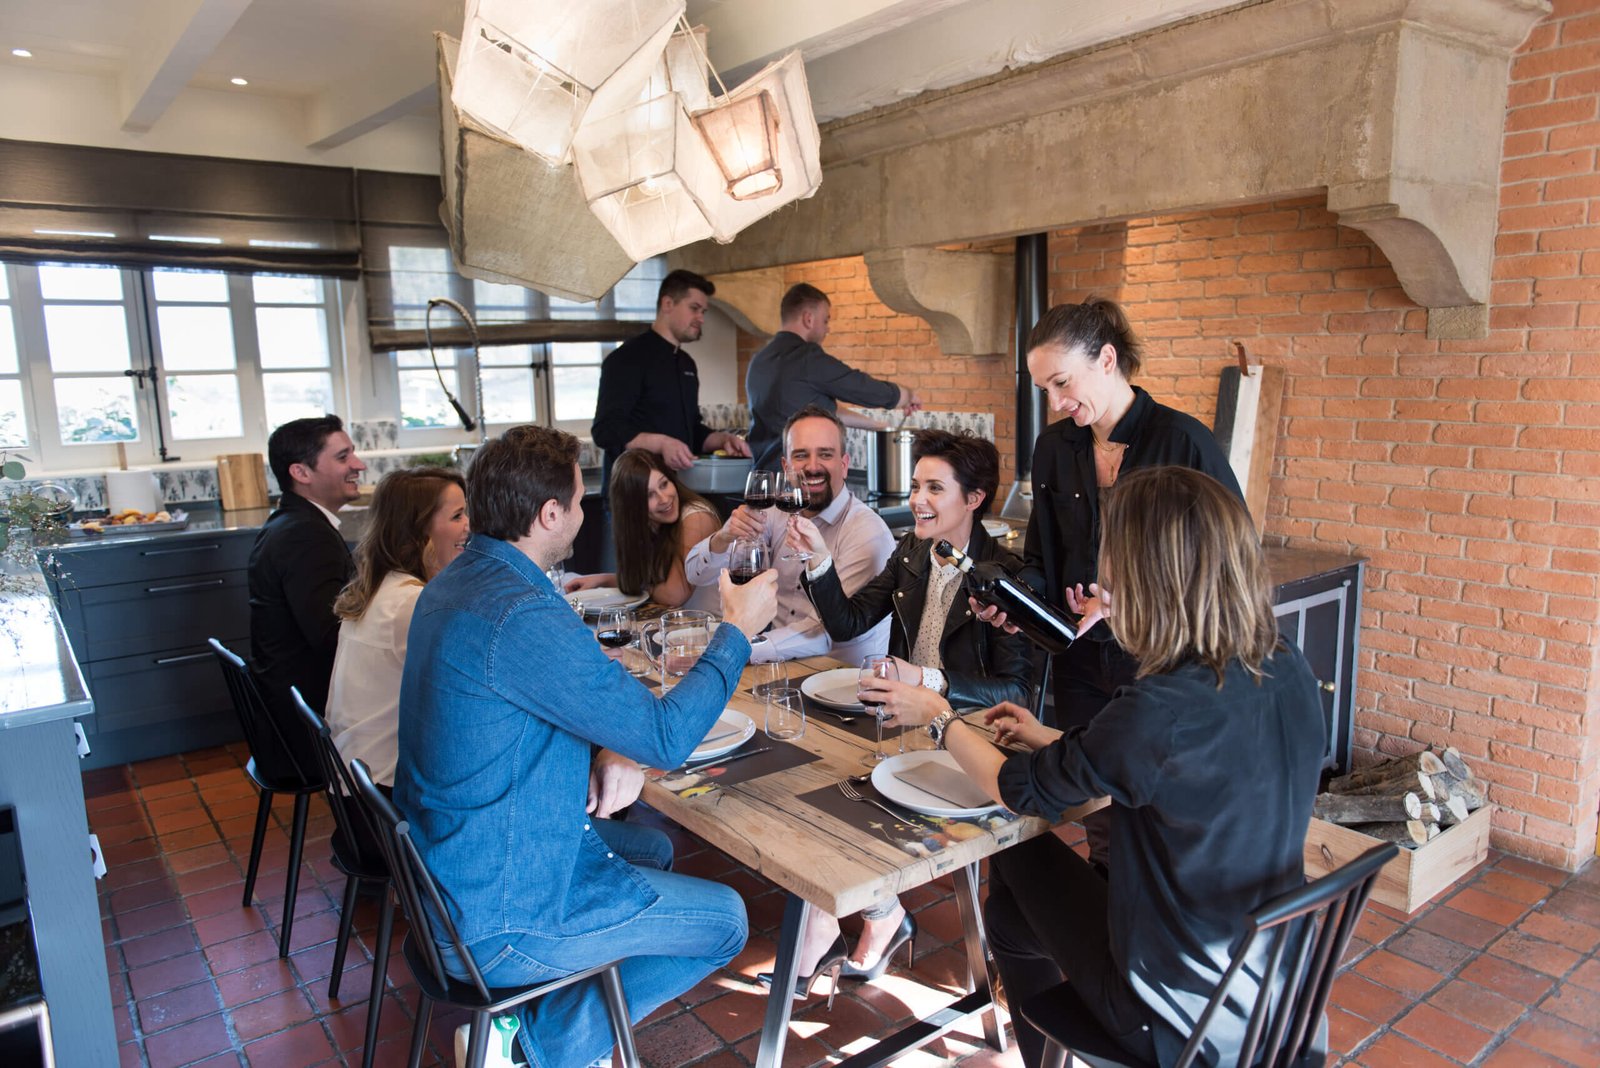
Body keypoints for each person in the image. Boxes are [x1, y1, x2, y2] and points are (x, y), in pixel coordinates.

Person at [886, 466, 1326, 1068]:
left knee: (1010, 845)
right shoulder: (1282, 659)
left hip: (1173, 1007)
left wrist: (939, 715)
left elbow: (1020, 789)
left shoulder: (1161, 707)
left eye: (1110, 550)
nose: (1100, 570)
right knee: (1011, 917)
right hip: (1275, 981)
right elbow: (1179, 760)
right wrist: (1052, 737)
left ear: (1150, 571)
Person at [395, 425, 777, 1068]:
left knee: (651, 846)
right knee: (727, 922)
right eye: (578, 499)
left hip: (450, 866)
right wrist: (736, 631)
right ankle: (533, 1049)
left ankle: (532, 1025)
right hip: (498, 914)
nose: (582, 511)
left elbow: (533, 710)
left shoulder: (458, 583)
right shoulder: (522, 611)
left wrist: (609, 751)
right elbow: (664, 736)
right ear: (549, 515)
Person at [776, 429, 1032, 986]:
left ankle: (849, 923)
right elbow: (847, 623)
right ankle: (878, 915)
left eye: (934, 488)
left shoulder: (1008, 575)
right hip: (906, 729)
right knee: (814, 789)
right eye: (916, 485)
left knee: (839, 801)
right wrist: (818, 562)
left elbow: (1019, 695)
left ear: (974, 498)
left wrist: (928, 681)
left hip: (970, 741)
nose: (917, 499)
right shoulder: (913, 552)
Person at [685, 404, 894, 665]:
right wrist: (723, 538)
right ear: (786, 466)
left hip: (844, 679)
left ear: (844, 465)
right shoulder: (774, 514)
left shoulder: (867, 531)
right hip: (779, 669)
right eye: (801, 455)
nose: (812, 466)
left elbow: (828, 631)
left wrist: (739, 648)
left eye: (825, 454)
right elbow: (695, 574)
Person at [325, 467, 469, 789]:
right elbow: (468, 688)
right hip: (387, 790)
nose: (469, 526)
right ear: (419, 531)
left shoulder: (384, 587)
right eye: (458, 515)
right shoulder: (409, 603)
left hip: (359, 778)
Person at [248, 414, 367, 716]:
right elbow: (332, 636)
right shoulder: (306, 535)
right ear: (301, 472)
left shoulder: (291, 522)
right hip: (307, 714)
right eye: (344, 457)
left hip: (289, 700)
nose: (359, 465)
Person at [590, 268, 751, 490]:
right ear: (667, 304)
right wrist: (662, 443)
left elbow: (692, 431)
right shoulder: (626, 358)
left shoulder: (687, 364)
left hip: (678, 489)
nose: (701, 318)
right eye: (694, 309)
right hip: (632, 494)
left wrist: (722, 440)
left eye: (703, 311)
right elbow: (605, 430)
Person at [744, 283, 922, 471]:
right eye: (825, 320)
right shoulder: (806, 358)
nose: (827, 329)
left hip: (762, 477)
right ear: (808, 319)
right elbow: (861, 387)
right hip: (799, 481)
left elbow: (823, 410)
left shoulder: (759, 360)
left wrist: (878, 426)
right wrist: (906, 395)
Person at [565, 449, 721, 613]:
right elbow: (651, 583)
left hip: (714, 629)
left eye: (664, 484)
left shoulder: (696, 517)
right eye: (649, 495)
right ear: (632, 506)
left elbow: (674, 595)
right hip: (683, 629)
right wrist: (603, 580)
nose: (664, 499)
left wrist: (630, 582)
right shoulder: (650, 524)